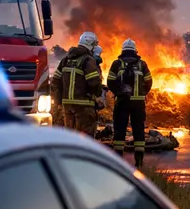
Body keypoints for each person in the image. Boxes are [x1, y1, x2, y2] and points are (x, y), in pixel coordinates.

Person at [107, 38, 153, 168]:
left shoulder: (117, 64)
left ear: (123, 50)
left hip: (122, 102)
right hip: (138, 104)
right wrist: (142, 93)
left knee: (119, 130)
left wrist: (119, 93)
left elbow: (110, 82)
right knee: (138, 131)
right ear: (135, 50)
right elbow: (149, 82)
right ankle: (139, 162)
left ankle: (118, 161)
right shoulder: (142, 64)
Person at [60, 31, 103, 136]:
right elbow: (94, 82)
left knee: (69, 134)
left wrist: (58, 100)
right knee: (86, 135)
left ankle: (69, 152)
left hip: (67, 105)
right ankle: (83, 152)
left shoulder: (66, 59)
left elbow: (56, 81)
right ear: (89, 44)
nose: (94, 48)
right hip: (84, 105)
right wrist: (98, 94)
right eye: (93, 45)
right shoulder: (88, 60)